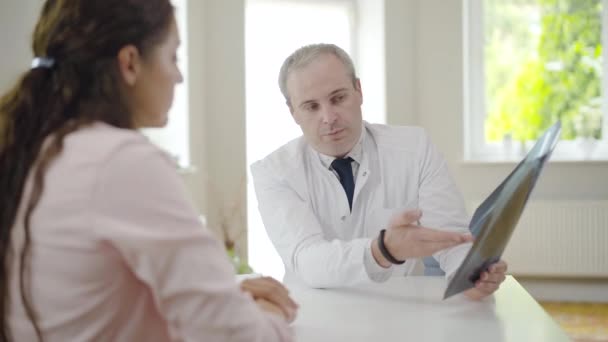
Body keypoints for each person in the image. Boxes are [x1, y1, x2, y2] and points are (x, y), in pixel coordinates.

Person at [0, 1, 297, 341]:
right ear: (129, 63)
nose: (179, 76)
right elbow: (237, 337)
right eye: (173, 57)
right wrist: (271, 315)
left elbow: (86, 296)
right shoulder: (120, 161)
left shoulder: (34, 149)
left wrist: (228, 290)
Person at [251, 43, 507, 300]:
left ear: (358, 91)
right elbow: (307, 260)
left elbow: (450, 237)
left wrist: (471, 277)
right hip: (314, 313)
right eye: (311, 106)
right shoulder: (273, 173)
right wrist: (382, 251)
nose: (329, 117)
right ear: (293, 112)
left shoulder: (415, 148)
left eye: (338, 98)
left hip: (396, 309)